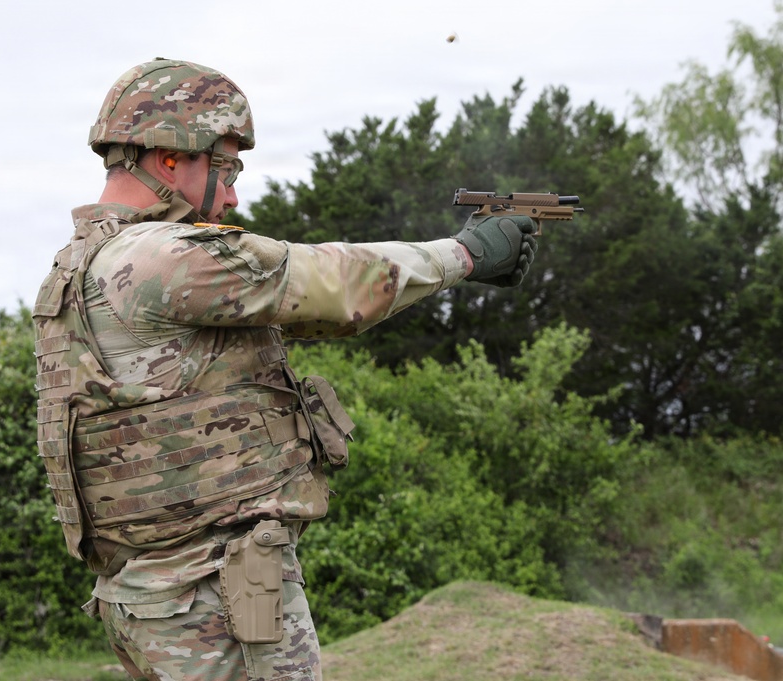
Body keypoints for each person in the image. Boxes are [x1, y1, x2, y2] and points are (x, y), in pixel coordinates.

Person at [33, 57, 537, 681]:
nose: (235, 193)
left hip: (152, 592)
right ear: (169, 159)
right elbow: (333, 283)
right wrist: (465, 254)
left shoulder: (78, 267)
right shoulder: (163, 258)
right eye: (226, 167)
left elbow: (316, 314)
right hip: (216, 592)